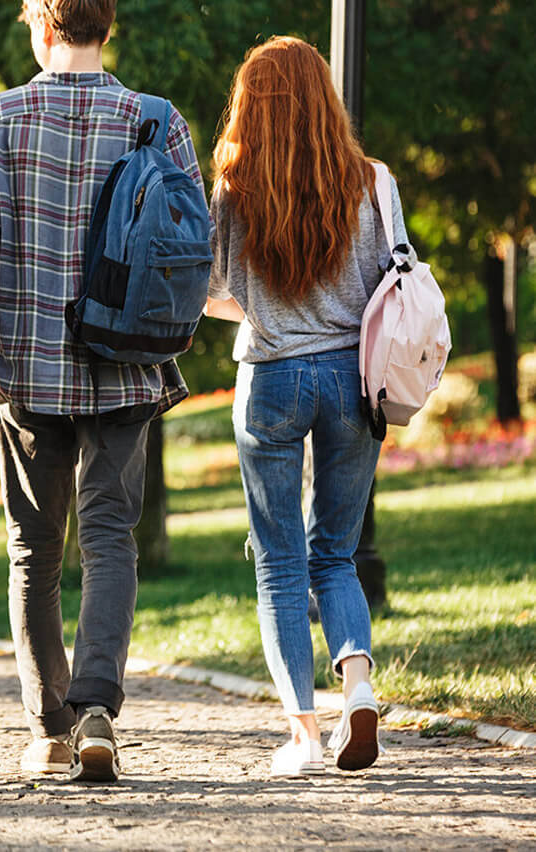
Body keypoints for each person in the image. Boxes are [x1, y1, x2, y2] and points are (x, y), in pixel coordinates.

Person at [0, 0, 202, 782]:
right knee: (108, 537)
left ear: (42, 25)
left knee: (34, 548)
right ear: (109, 26)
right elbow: (189, 247)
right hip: (128, 356)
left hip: (30, 358)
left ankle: (49, 729)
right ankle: (98, 709)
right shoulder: (157, 119)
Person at [204, 36, 405, 777]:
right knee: (336, 553)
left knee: (279, 562)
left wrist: (265, 307)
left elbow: (210, 288)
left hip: (271, 382)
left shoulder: (234, 186)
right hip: (354, 381)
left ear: (251, 104)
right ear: (326, 97)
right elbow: (396, 284)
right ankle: (357, 686)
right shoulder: (374, 182)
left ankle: (306, 737)